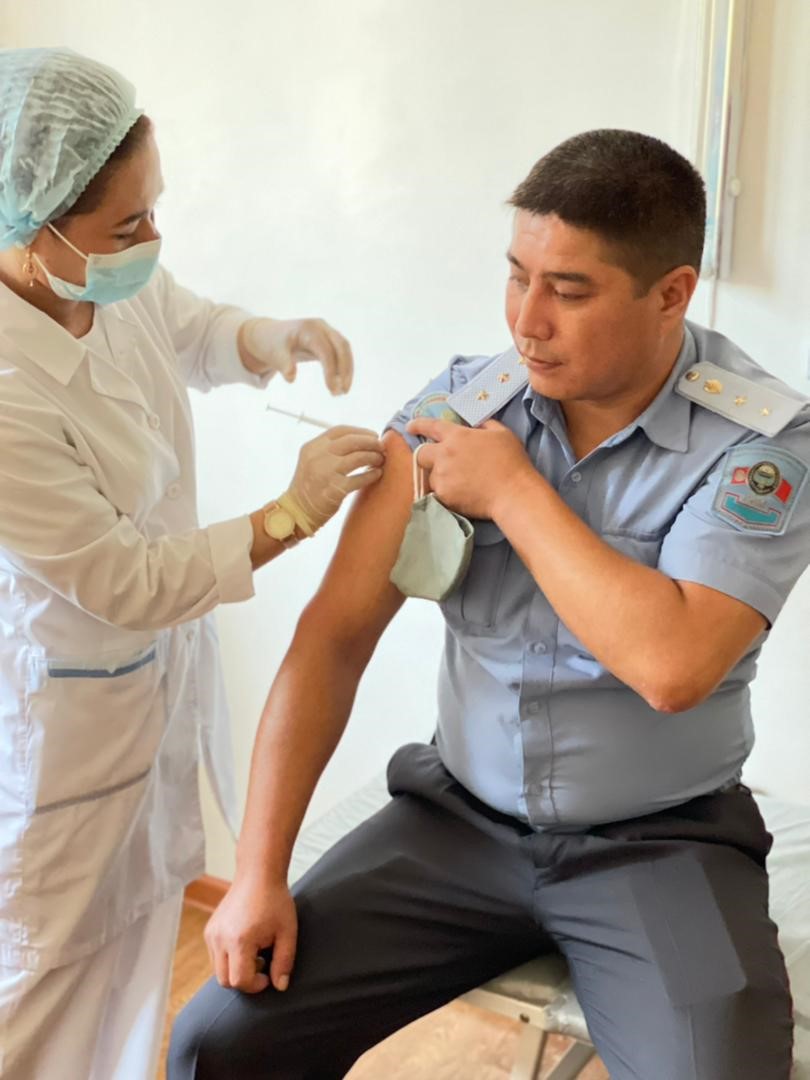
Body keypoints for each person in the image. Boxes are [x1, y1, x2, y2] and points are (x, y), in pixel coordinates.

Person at [169, 129, 803, 1079]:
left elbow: (674, 668)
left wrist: (514, 492)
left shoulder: (760, 445)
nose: (527, 322)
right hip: (453, 826)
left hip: (660, 844)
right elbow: (333, 638)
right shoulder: (461, 410)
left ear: (672, 292)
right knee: (218, 1041)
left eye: (570, 291)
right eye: (517, 276)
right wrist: (256, 874)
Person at [0, 47, 385, 1080]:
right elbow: (125, 581)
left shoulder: (97, 274)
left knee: (131, 973)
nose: (151, 240)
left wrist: (268, 337)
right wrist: (292, 512)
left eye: (153, 208)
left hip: (145, 702)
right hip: (61, 740)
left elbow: (184, 323)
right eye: (128, 225)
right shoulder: (5, 391)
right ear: (31, 228)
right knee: (37, 1002)